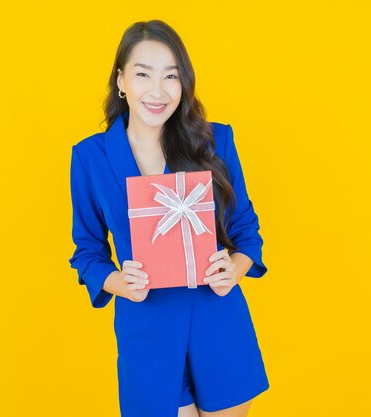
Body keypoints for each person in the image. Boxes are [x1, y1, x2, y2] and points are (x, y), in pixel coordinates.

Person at [68, 20, 269, 417]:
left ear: (184, 83)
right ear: (122, 80)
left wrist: (235, 268)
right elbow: (87, 252)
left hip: (217, 318)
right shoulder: (90, 157)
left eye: (171, 76)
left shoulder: (215, 141)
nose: (157, 90)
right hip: (148, 328)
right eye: (143, 74)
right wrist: (118, 282)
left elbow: (247, 233)